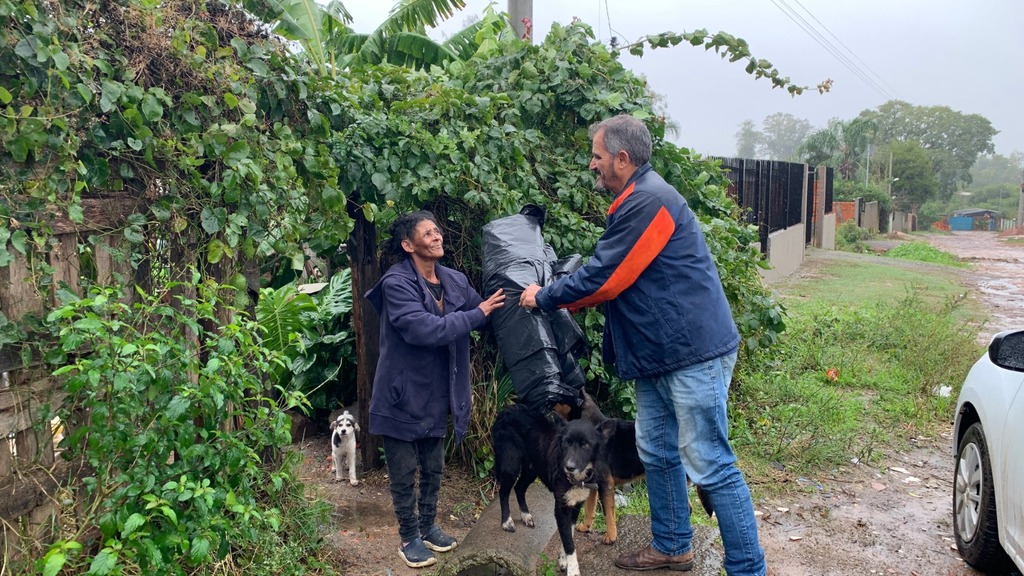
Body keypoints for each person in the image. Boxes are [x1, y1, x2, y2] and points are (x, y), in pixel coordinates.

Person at [519, 115, 771, 576]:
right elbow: (621, 280)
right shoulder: (634, 202)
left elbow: (607, 278)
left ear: (622, 157)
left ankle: (747, 568)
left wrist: (546, 296)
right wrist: (576, 297)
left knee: (709, 460)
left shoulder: (650, 200)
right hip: (658, 356)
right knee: (656, 450)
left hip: (691, 352)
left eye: (597, 156)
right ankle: (674, 546)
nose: (592, 165)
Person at [366, 210, 505, 569]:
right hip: (400, 392)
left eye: (437, 231)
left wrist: (524, 297)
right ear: (408, 245)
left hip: (437, 392)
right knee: (403, 470)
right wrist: (477, 316)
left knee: (433, 466)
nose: (437, 236)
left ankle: (428, 526)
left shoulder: (455, 281)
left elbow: (487, 309)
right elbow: (423, 328)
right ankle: (409, 536)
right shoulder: (396, 283)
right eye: (427, 233)